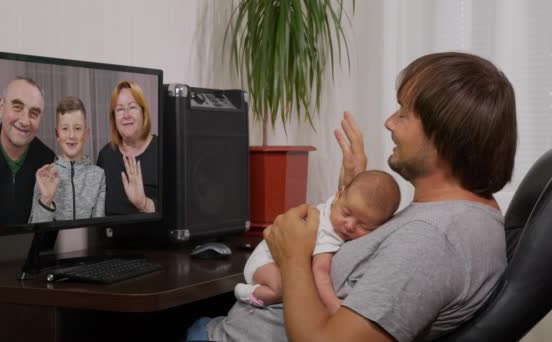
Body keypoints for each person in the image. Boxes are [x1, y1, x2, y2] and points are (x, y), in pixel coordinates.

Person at [188, 52, 517, 342]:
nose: (389, 122)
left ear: (444, 139)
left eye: (403, 113)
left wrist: (292, 256)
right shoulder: (460, 217)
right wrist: (354, 196)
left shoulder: (431, 241)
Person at [234, 170, 400, 313]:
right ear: (339, 195)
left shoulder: (336, 205)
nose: (349, 226)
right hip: (264, 262)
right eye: (346, 213)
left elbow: (359, 197)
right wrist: (332, 304)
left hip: (273, 258)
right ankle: (247, 293)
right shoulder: (328, 233)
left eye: (363, 225)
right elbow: (319, 271)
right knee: (281, 289)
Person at [0, 77, 55, 226]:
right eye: (17, 107)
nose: (25, 121)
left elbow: (46, 239)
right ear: (1, 107)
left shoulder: (48, 161)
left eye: (34, 113)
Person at [29, 97, 106, 223]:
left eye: (77, 128)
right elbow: (35, 232)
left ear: (86, 134)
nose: (71, 135)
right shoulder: (45, 177)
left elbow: (98, 228)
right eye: (65, 129)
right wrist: (46, 200)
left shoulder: (98, 175)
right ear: (57, 134)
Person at [97, 80, 158, 215]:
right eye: (119, 109)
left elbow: (178, 212)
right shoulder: (105, 155)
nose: (126, 115)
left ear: (143, 112)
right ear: (114, 117)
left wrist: (143, 204)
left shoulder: (164, 151)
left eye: (132, 107)